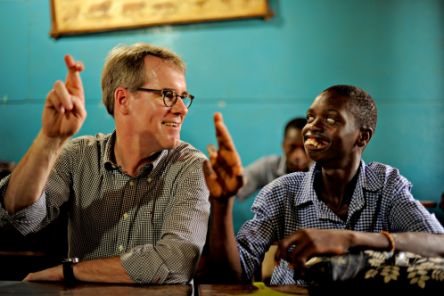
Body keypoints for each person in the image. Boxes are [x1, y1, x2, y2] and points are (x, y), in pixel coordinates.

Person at [0, 43, 210, 284]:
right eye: (168, 95)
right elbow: (18, 218)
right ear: (123, 100)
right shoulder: (79, 156)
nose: (182, 109)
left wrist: (68, 272)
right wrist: (49, 139)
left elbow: (175, 262)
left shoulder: (190, 166)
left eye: (183, 97)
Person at [203, 85, 444, 285]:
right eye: (311, 117)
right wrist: (222, 203)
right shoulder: (282, 192)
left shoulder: (386, 185)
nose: (311, 127)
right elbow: (231, 276)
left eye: (329, 119)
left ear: (362, 136)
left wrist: (350, 240)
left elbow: (439, 243)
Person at [237, 117, 312, 200]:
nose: (298, 156)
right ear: (283, 145)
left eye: (305, 148)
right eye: (292, 147)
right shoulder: (268, 166)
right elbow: (237, 187)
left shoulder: (322, 172)